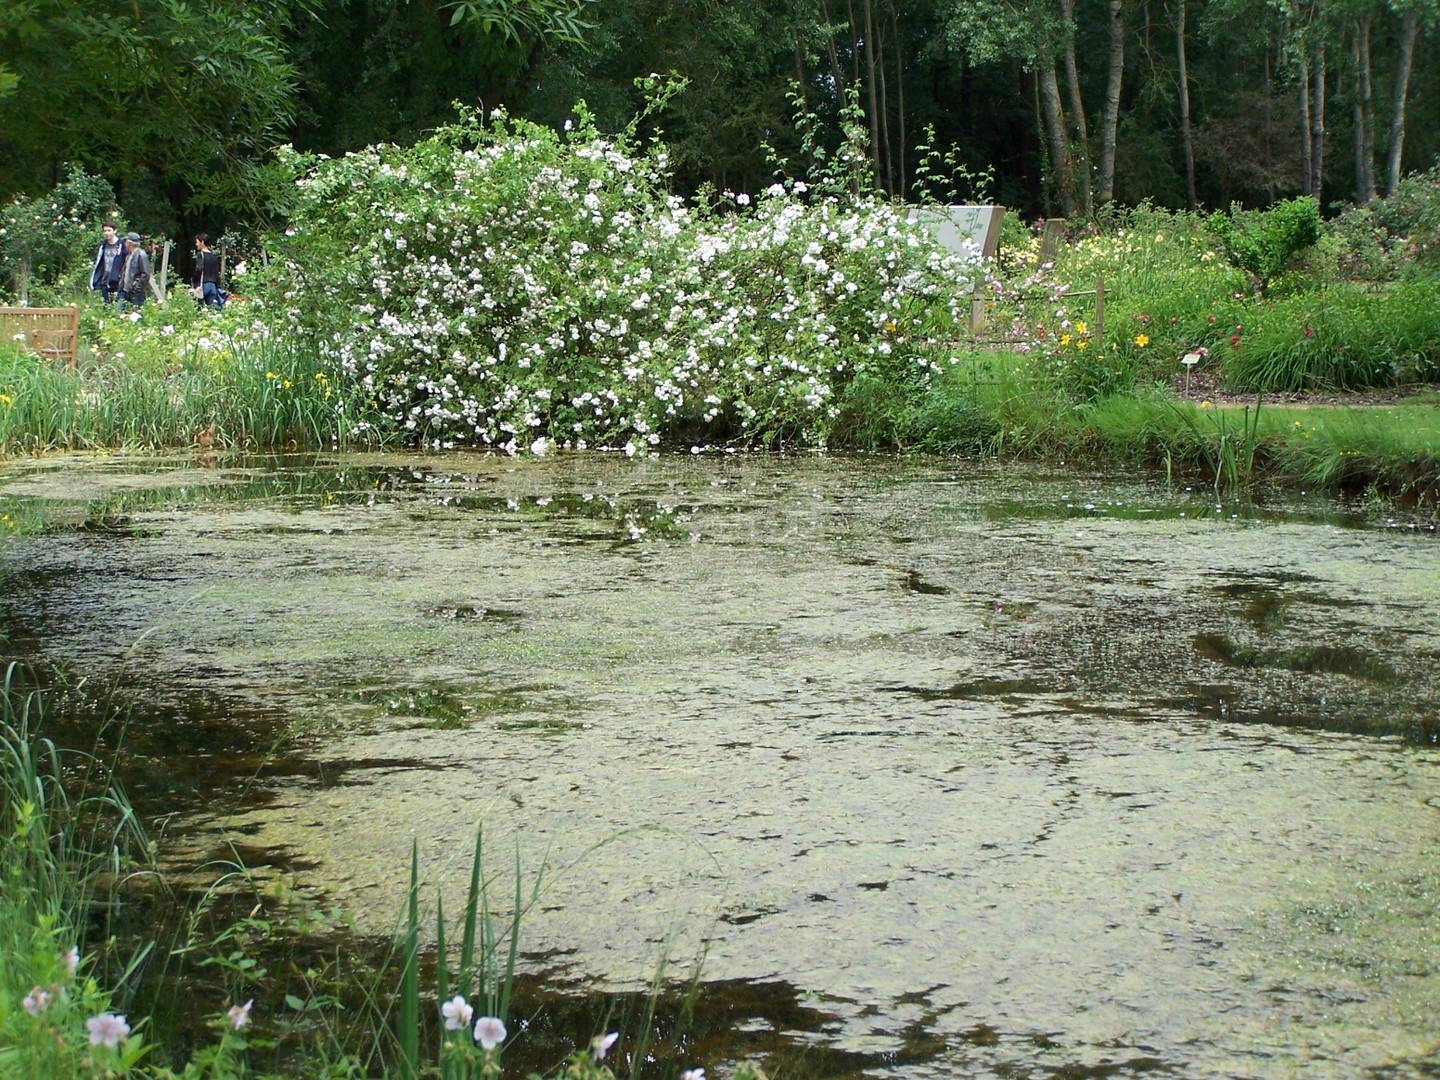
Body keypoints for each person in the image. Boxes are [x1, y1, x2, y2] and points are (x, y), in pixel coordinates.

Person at [90, 222, 126, 304]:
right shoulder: (103, 246)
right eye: (105, 231)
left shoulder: (122, 245)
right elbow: (98, 264)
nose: (107, 233)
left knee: (119, 308)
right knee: (106, 307)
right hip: (105, 282)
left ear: (115, 231)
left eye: (109, 230)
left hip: (118, 283)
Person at [191, 233, 226, 311]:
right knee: (213, 310)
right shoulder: (214, 257)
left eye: (197, 242)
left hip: (203, 285)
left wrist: (194, 281)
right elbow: (217, 273)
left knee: (198, 309)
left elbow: (199, 269)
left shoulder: (200, 254)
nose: (196, 244)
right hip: (213, 286)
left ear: (202, 242)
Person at [118, 233, 151, 310]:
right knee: (119, 314)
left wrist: (136, 287)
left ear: (129, 243)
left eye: (125, 241)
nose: (124, 243)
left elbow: (146, 274)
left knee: (136, 316)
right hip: (125, 291)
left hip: (136, 293)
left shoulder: (141, 255)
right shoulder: (129, 255)